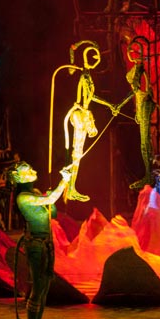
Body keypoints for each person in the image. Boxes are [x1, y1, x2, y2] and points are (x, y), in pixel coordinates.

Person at [9, 161, 72, 319]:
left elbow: (53, 213)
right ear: (19, 178)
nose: (33, 171)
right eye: (28, 170)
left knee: (44, 288)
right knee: (38, 288)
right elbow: (50, 200)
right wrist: (63, 182)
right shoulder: (23, 198)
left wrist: (51, 197)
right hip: (35, 244)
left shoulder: (35, 193)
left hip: (46, 242)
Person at [63, 41, 114, 202]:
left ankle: (71, 187)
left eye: (97, 58)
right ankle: (70, 188)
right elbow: (81, 99)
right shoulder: (84, 76)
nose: (96, 61)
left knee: (78, 153)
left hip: (83, 113)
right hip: (80, 115)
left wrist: (109, 105)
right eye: (94, 58)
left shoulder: (88, 76)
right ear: (87, 58)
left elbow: (91, 97)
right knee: (77, 153)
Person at [113, 38, 158, 190]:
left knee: (145, 143)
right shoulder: (138, 69)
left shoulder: (140, 70)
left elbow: (136, 91)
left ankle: (149, 175)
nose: (130, 54)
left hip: (145, 104)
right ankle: (148, 174)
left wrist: (120, 105)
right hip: (142, 104)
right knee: (144, 142)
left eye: (133, 51)